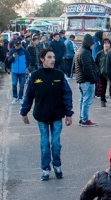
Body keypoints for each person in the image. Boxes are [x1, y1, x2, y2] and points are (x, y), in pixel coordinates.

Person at [20, 48, 74, 181]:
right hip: (42, 116)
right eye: (49, 57)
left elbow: (67, 94)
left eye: (54, 57)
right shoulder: (35, 76)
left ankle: (57, 165)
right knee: (44, 144)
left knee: (55, 143)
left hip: (56, 115)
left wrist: (69, 113)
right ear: (42, 59)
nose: (53, 60)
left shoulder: (59, 75)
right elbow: (29, 96)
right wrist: (24, 112)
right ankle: (45, 168)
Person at [74, 33, 98, 127]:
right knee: (87, 100)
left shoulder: (80, 51)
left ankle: (82, 118)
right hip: (87, 80)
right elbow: (87, 68)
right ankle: (85, 119)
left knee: (83, 100)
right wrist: (93, 79)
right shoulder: (85, 53)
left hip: (81, 80)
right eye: (92, 43)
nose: (93, 45)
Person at [7, 39, 30, 104]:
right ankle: (15, 97)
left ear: (20, 45)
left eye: (18, 45)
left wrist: (25, 66)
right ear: (14, 45)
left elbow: (29, 59)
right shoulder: (12, 51)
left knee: (22, 85)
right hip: (14, 70)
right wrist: (13, 57)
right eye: (16, 45)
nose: (17, 47)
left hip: (22, 71)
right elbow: (9, 60)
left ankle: (20, 97)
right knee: (14, 84)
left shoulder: (24, 51)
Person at [95, 39, 111, 108]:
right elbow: (96, 63)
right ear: (103, 45)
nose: (107, 45)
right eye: (105, 43)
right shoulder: (99, 54)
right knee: (103, 87)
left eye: (108, 43)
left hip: (110, 73)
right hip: (102, 73)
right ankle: (102, 100)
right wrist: (98, 70)